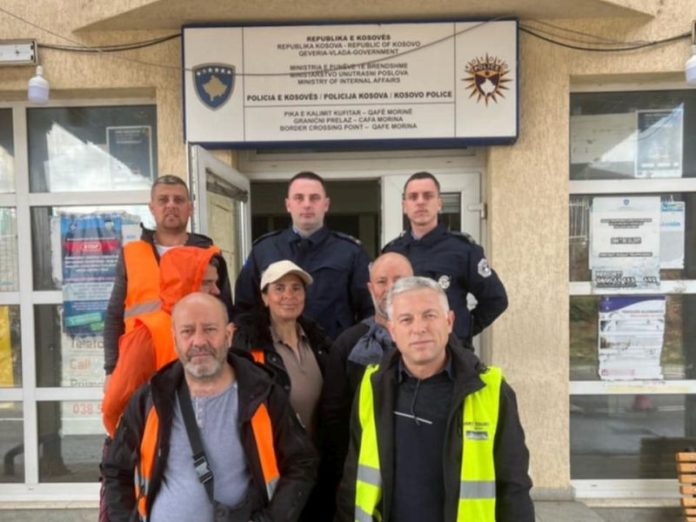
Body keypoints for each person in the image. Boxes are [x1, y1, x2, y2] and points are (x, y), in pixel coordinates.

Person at [103, 292, 318, 522]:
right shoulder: (151, 398)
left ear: (228, 335)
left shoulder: (262, 394)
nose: (199, 341)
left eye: (210, 329)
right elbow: (116, 469)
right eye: (187, 331)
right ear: (174, 339)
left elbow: (301, 463)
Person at [336, 276, 534, 522]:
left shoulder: (489, 389)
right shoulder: (372, 386)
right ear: (392, 331)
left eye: (429, 315)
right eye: (406, 319)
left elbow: (513, 487)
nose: (419, 328)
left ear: (449, 321)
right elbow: (353, 474)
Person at [103, 174, 233, 390]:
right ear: (152, 207)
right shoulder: (131, 254)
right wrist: (111, 369)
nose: (171, 205)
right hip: (141, 364)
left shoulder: (209, 254)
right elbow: (114, 315)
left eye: (179, 200)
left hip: (196, 363)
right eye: (163, 200)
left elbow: (226, 313)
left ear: (190, 208)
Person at [233, 260, 332, 521]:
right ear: (265, 297)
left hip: (318, 464)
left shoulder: (319, 342)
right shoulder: (247, 345)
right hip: (277, 468)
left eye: (296, 288)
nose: (289, 295)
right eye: (279, 288)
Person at [319, 252, 413, 519]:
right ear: (371, 289)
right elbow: (334, 420)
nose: (390, 288)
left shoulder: (431, 341)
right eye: (382, 281)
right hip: (363, 478)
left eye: (399, 280)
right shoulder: (348, 344)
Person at [101, 245, 225, 437]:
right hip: (162, 445)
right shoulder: (148, 334)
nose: (216, 290)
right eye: (207, 283)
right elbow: (115, 405)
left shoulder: (219, 328)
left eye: (215, 282)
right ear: (186, 283)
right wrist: (137, 445)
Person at [234, 171, 372, 339]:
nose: (307, 205)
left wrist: (353, 348)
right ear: (288, 204)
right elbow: (245, 308)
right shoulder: (264, 249)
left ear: (326, 204)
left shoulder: (350, 252)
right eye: (299, 198)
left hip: (334, 349)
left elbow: (369, 311)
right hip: (276, 350)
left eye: (314, 198)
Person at [382, 171, 507, 349]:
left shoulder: (462, 249)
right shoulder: (393, 252)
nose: (420, 202)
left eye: (428, 196)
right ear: (404, 206)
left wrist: (463, 329)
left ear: (439, 203)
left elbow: (495, 299)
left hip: (452, 351)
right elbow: (383, 304)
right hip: (406, 351)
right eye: (413, 197)